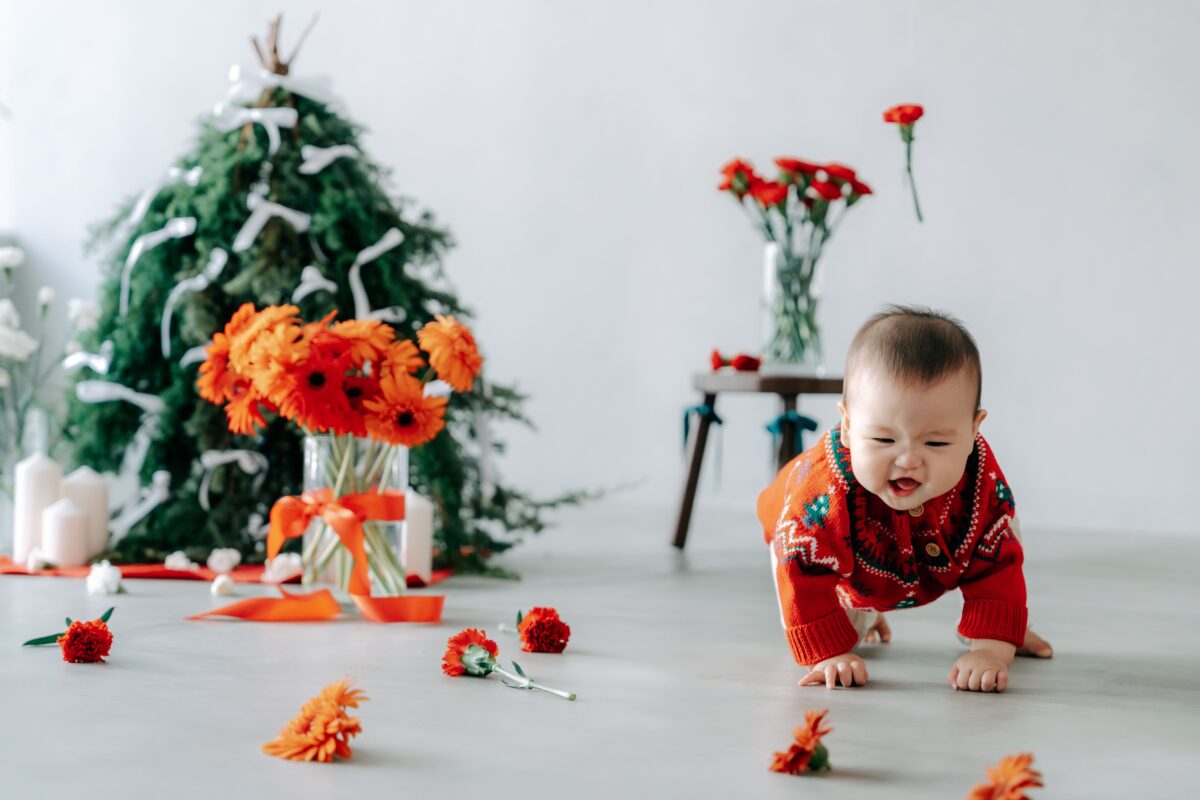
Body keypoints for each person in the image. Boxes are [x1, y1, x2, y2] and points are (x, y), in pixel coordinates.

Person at [757, 305, 1052, 692]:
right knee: (839, 618)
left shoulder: (980, 479)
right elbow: (803, 575)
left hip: (915, 561)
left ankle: (1000, 628)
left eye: (936, 442)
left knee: (1002, 528)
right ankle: (861, 618)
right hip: (823, 562)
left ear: (973, 431)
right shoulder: (819, 498)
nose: (908, 459)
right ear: (847, 427)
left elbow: (997, 565)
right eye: (883, 439)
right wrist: (829, 654)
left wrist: (992, 649)